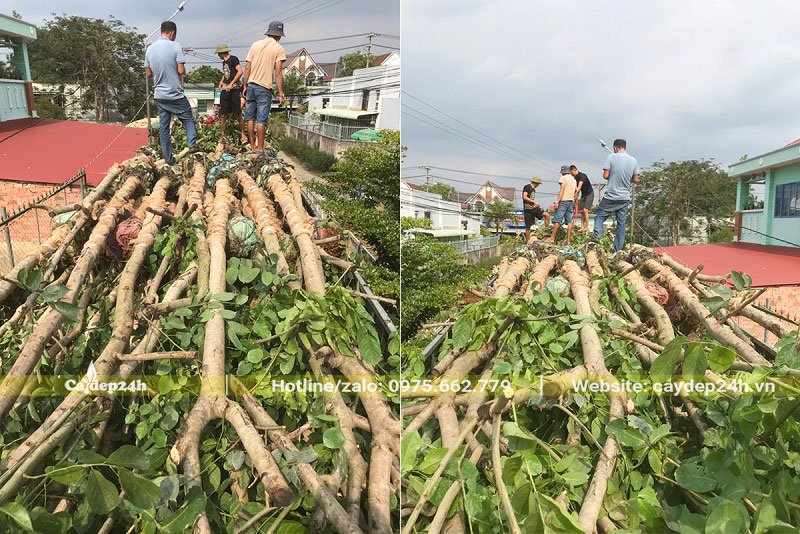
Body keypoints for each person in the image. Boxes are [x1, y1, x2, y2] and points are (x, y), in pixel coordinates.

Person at [145, 21, 197, 165]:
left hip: (160, 96)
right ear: (172, 33)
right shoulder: (175, 46)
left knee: (164, 128)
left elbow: (148, 73)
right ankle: (192, 145)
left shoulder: (149, 49)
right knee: (188, 120)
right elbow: (181, 71)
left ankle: (169, 160)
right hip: (175, 94)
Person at [243, 21, 287, 151]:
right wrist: (280, 93)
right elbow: (278, 72)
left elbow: (247, 67)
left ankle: (252, 147)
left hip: (251, 86)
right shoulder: (279, 49)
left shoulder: (255, 45)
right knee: (261, 120)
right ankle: (260, 149)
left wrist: (245, 85)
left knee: (250, 118)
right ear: (279, 35)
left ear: (268, 32)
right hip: (264, 88)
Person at [593, 139, 641, 252]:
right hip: (624, 198)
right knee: (621, 224)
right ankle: (617, 250)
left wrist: (614, 175)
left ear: (615, 148)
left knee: (599, 217)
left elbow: (605, 175)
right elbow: (636, 179)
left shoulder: (611, 157)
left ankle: (596, 239)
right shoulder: (633, 160)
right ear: (625, 147)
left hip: (611, 196)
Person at [216, 43, 247, 143]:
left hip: (234, 89)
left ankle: (243, 134)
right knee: (223, 113)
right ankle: (223, 135)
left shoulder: (233, 59)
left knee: (238, 113)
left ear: (221, 53)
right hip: (225, 90)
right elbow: (226, 74)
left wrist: (232, 83)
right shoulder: (224, 63)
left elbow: (240, 71)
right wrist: (221, 81)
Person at [548, 165, 577, 244]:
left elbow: (562, 191)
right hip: (570, 201)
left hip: (563, 201)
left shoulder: (563, 178)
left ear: (563, 172)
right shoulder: (573, 180)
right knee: (569, 221)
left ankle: (552, 238)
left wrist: (557, 201)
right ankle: (568, 240)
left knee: (557, 219)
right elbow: (576, 191)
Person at [522, 176, 550, 244]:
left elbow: (531, 200)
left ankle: (546, 233)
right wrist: (534, 202)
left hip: (533, 208)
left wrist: (535, 204)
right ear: (536, 183)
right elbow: (524, 197)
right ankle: (528, 241)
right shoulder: (527, 187)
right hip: (528, 209)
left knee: (547, 215)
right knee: (528, 226)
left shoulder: (533, 190)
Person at [570, 165, 594, 232]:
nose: (571, 175)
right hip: (583, 195)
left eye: (572, 173)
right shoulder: (575, 178)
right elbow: (577, 189)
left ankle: (586, 227)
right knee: (581, 212)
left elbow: (579, 187)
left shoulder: (582, 176)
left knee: (585, 210)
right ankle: (582, 227)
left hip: (589, 194)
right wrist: (576, 198)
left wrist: (574, 194)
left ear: (575, 170)